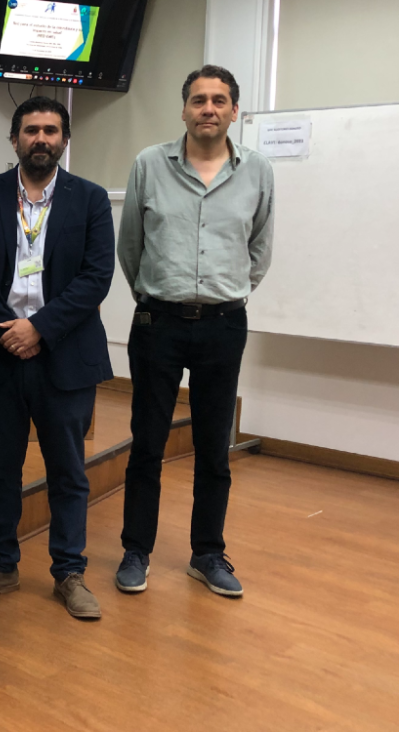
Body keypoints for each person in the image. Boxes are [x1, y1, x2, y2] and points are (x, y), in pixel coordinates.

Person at [115, 65, 274, 598]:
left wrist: (227, 291)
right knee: (148, 443)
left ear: (234, 111)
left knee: (212, 446)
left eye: (220, 100)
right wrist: (152, 293)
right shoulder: (148, 164)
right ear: (184, 109)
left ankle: (207, 553)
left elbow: (260, 250)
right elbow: (130, 245)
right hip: (157, 321)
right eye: (200, 100)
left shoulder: (257, 171)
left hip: (224, 325)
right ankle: (135, 550)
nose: (209, 108)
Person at [0, 96, 115, 619]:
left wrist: (39, 330)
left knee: (68, 470)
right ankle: (1, 565)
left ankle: (69, 572)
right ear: (14, 140)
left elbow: (96, 278)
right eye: (31, 130)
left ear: (64, 140)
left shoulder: (90, 200)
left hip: (63, 357)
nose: (41, 139)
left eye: (51, 130)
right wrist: (9, 329)